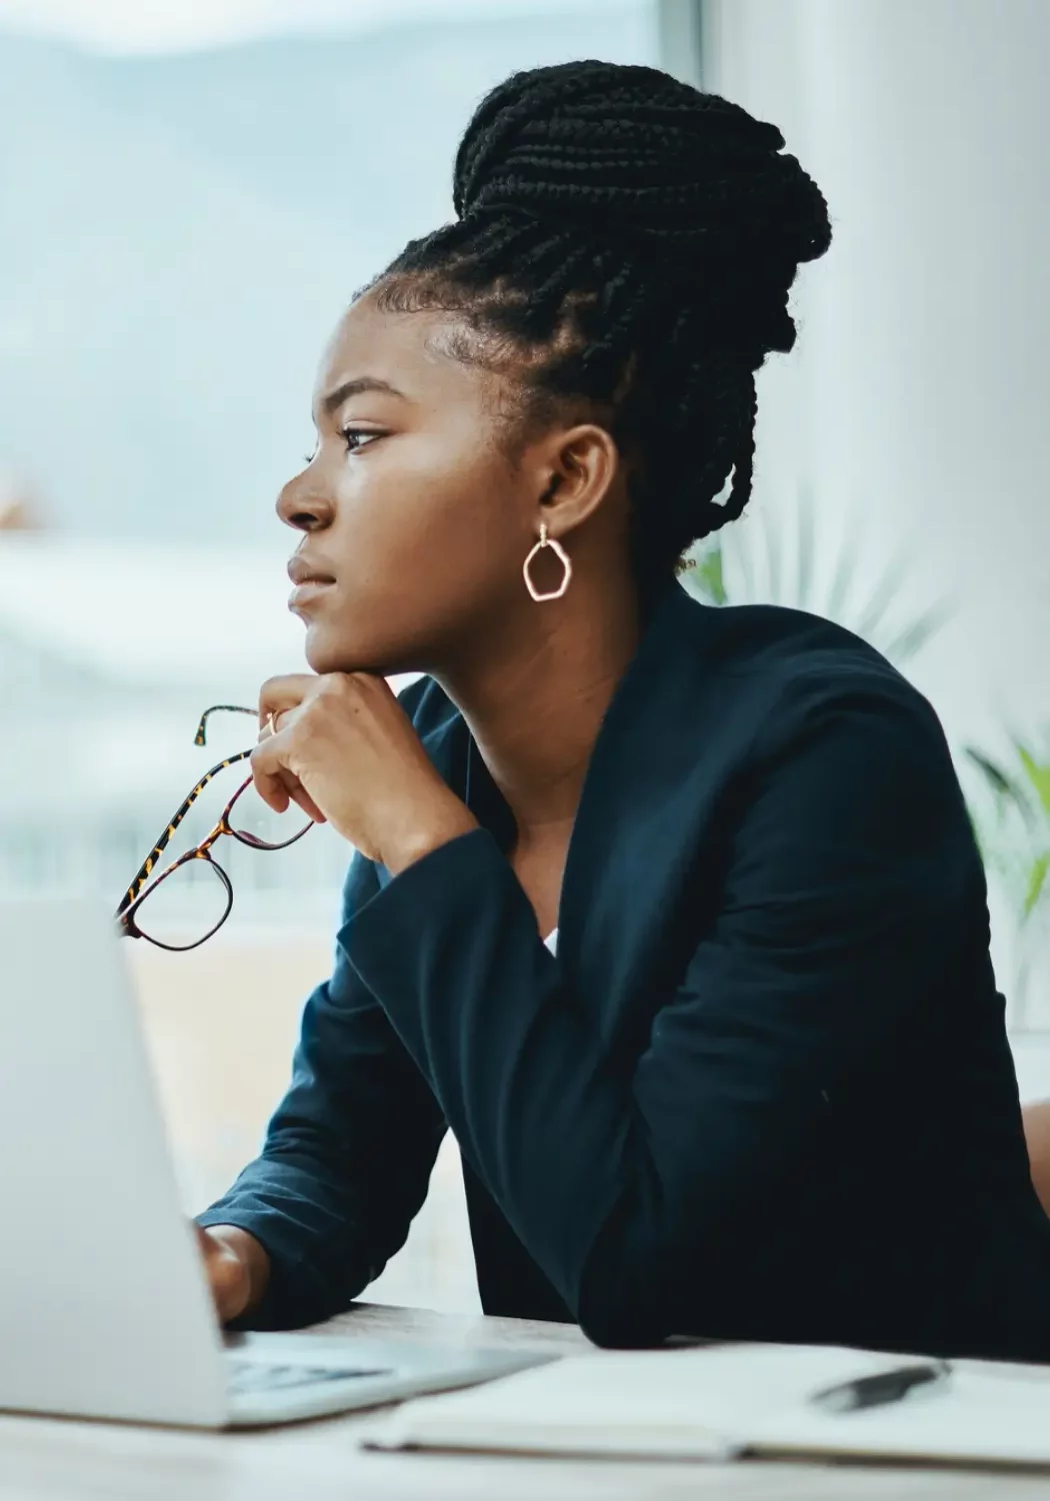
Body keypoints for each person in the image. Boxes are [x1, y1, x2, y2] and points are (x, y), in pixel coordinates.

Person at [194, 60, 1050, 1361]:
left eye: (361, 438)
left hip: (903, 1456)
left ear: (565, 480)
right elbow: (339, 1152)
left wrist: (425, 849)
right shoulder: (433, 750)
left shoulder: (823, 751)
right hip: (615, 1453)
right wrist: (230, 1255)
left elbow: (641, 1262)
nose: (300, 497)